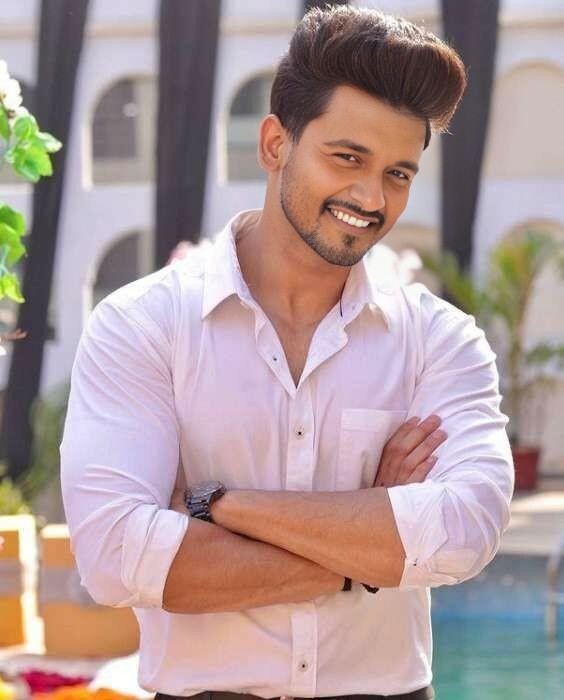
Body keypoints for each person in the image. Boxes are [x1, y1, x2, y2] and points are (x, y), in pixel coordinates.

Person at [61, 6, 514, 700]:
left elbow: (463, 534)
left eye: (398, 173)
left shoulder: (441, 341)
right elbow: (117, 559)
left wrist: (218, 505)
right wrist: (370, 539)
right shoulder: (143, 325)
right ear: (275, 143)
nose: (371, 196)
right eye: (347, 158)